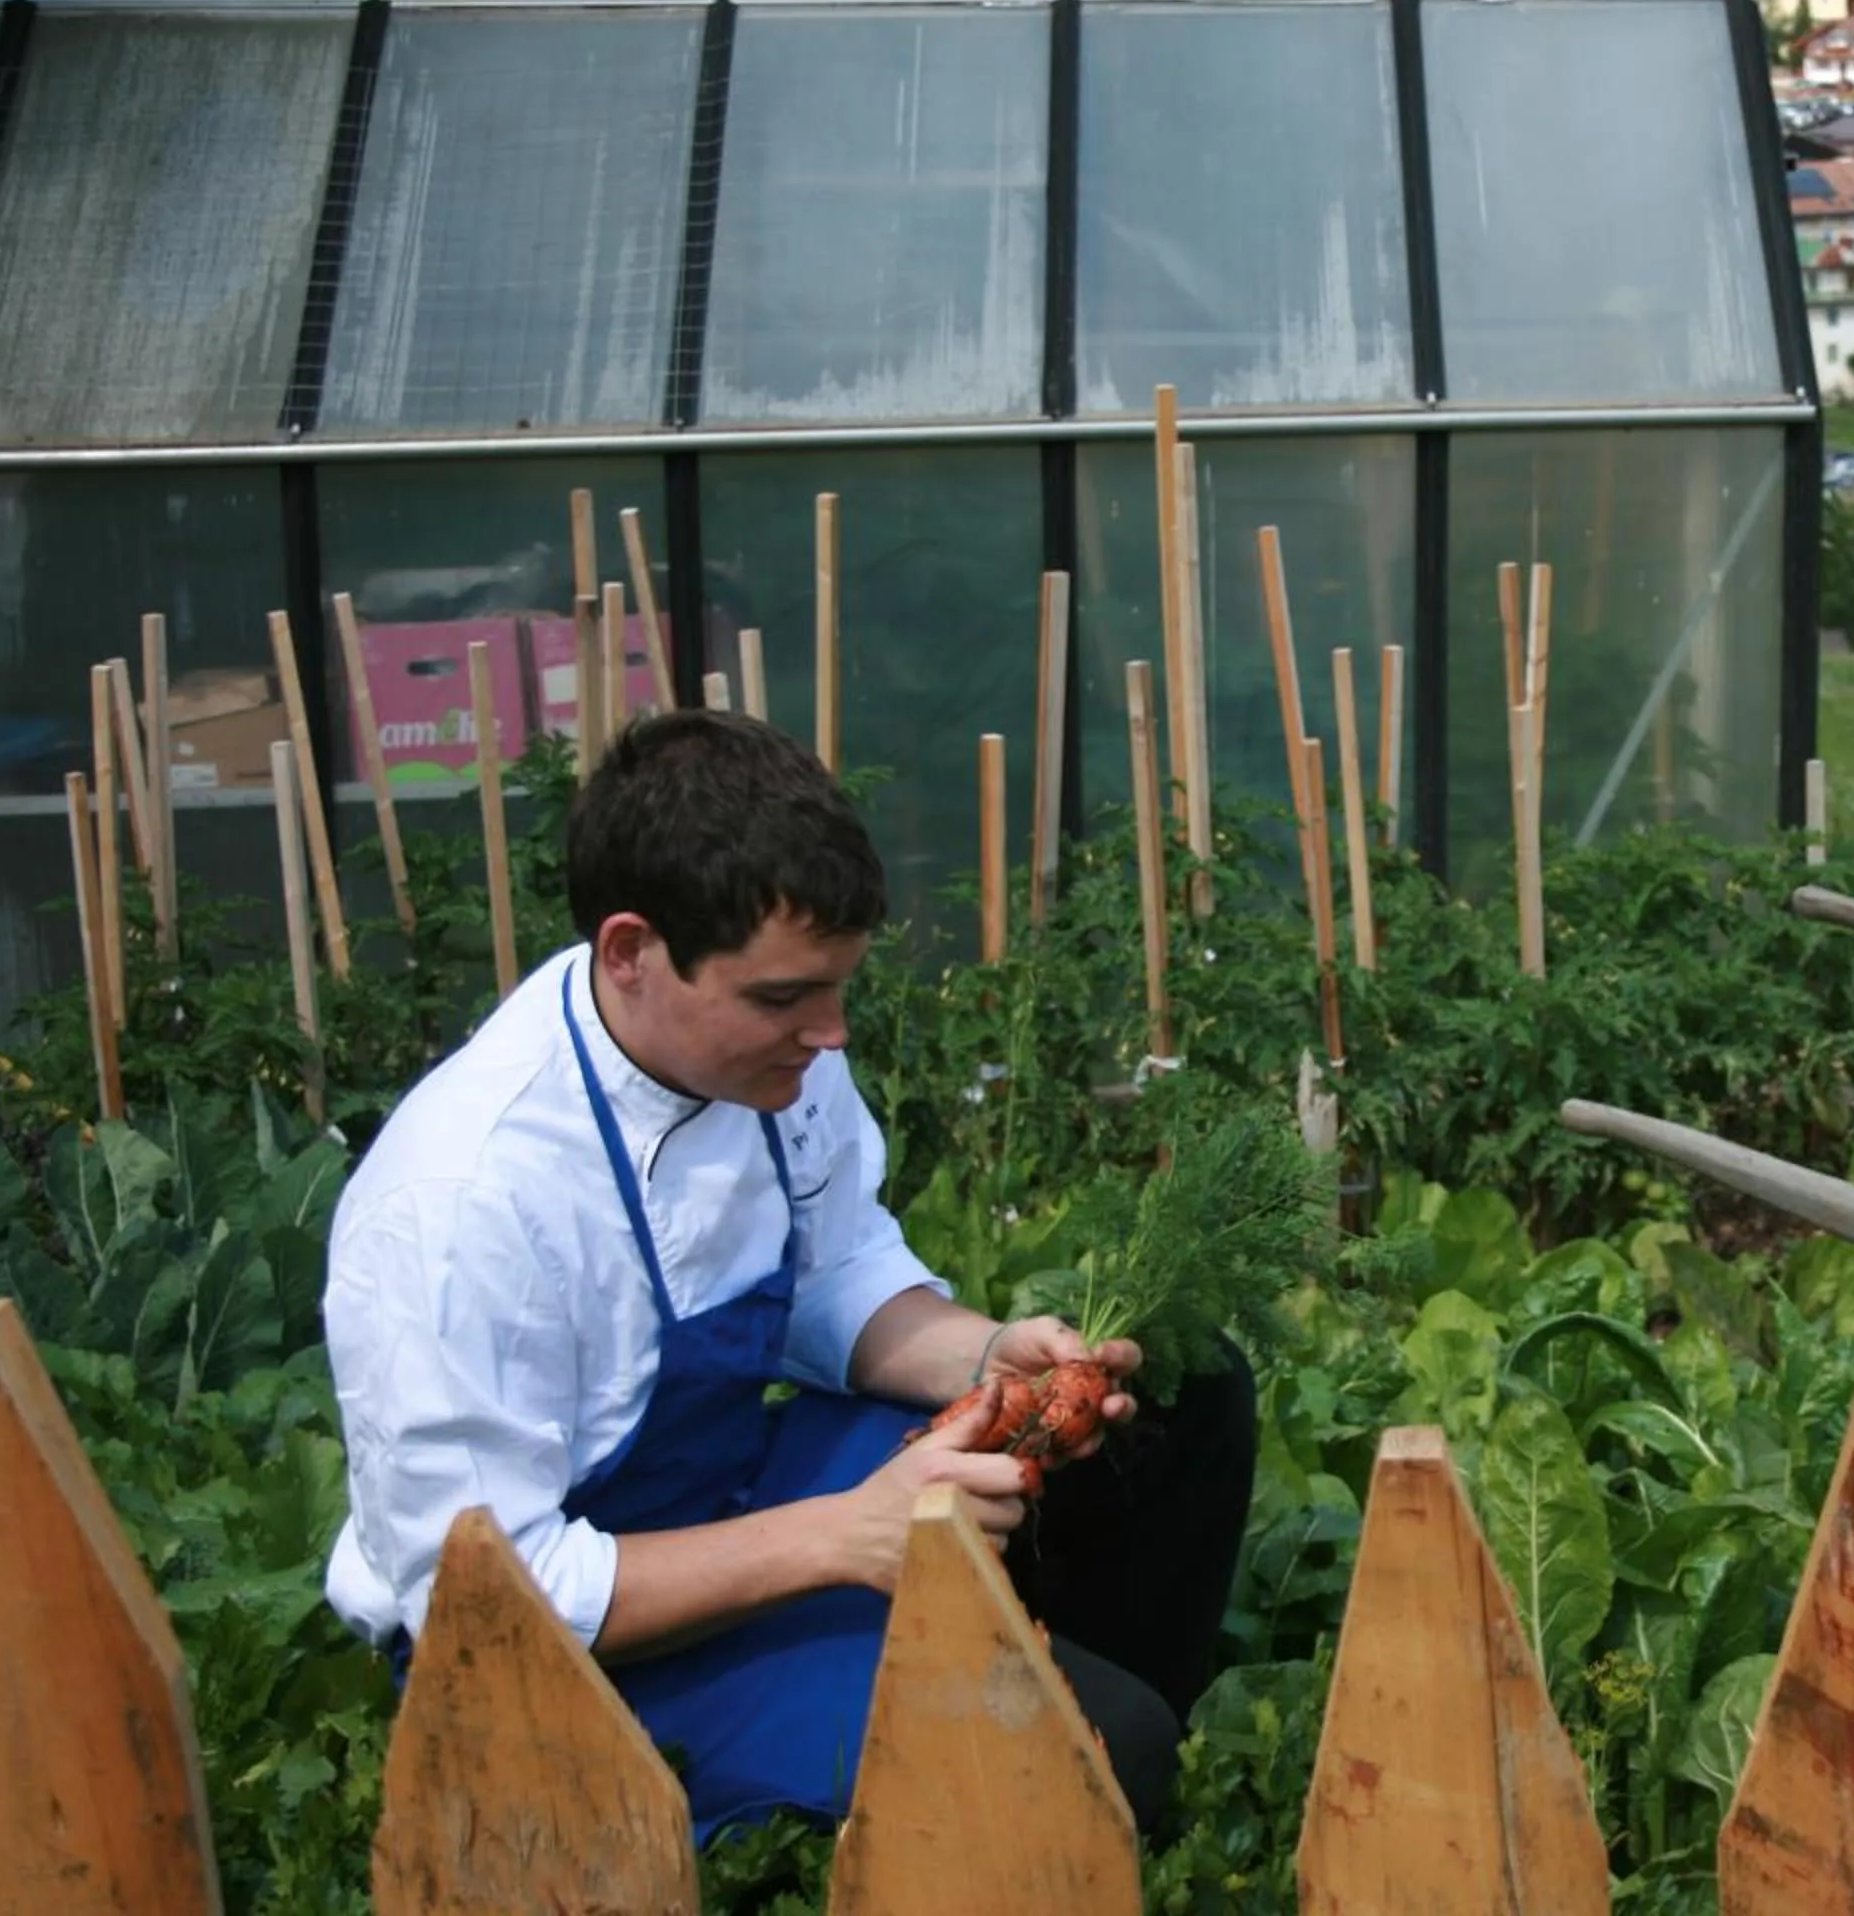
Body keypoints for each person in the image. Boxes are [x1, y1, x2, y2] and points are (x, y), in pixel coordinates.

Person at [320, 708, 1254, 1841]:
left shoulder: (771, 1061)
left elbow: (837, 1274)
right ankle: (1054, 1760)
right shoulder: (464, 1202)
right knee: (1106, 1742)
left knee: (1182, 1399)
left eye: (838, 988)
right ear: (630, 951)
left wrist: (988, 1352)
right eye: (782, 997)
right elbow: (481, 1595)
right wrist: (840, 1537)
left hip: (742, 1489)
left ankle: (1053, 1724)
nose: (830, 1034)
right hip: (578, 1654)